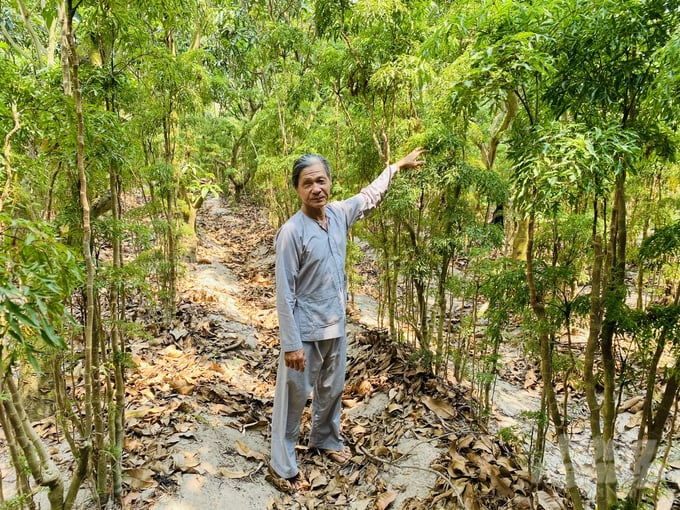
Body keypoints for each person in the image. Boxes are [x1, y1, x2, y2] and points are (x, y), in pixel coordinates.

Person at [268, 147, 427, 493]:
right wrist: (291, 344)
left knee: (331, 389)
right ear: (297, 189)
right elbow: (285, 293)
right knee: (293, 399)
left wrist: (396, 167)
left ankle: (324, 439)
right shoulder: (291, 233)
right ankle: (283, 463)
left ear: (330, 182)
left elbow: (369, 196)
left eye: (321, 180)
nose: (316, 188)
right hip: (305, 332)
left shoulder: (339, 214)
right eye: (308, 183)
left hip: (335, 326)